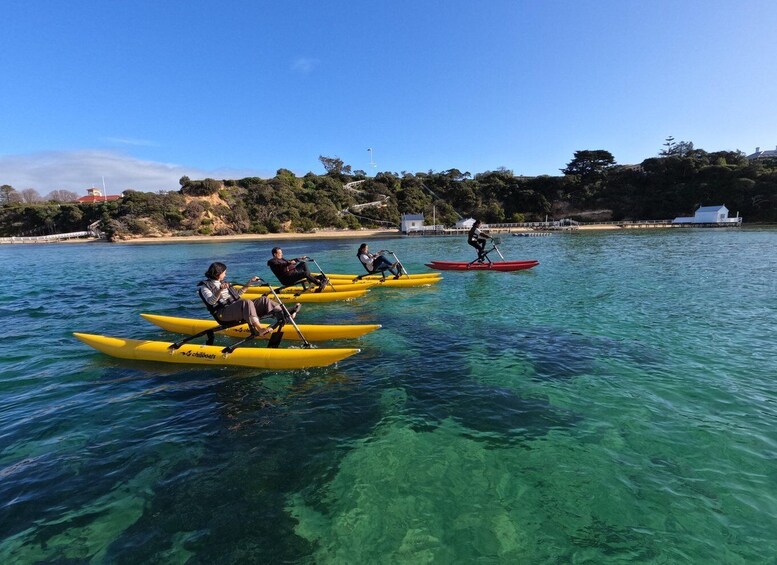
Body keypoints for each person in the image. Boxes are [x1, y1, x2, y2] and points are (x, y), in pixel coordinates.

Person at [198, 262, 300, 337]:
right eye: (224, 272)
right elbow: (211, 301)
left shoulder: (224, 282)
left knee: (263, 300)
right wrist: (220, 290)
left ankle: (284, 314)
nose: (226, 274)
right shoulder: (205, 287)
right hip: (223, 314)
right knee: (246, 302)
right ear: (218, 273)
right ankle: (259, 329)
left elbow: (237, 295)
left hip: (236, 308)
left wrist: (249, 283)